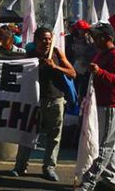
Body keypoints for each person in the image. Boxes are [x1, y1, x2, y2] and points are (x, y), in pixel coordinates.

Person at [11, 26, 76, 181]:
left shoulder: (57, 53)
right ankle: (20, 166)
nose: (47, 42)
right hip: (34, 100)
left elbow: (72, 73)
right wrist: (40, 66)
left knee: (54, 136)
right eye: (43, 39)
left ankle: (49, 167)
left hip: (55, 99)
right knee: (28, 134)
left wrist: (55, 66)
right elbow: (22, 75)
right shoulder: (30, 56)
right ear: (36, 40)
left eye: (49, 39)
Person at [75, 22, 115, 191]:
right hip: (99, 104)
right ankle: (110, 180)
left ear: (108, 38)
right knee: (107, 145)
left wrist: (99, 72)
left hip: (110, 105)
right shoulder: (101, 54)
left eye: (98, 36)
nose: (94, 40)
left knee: (103, 146)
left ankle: (89, 183)